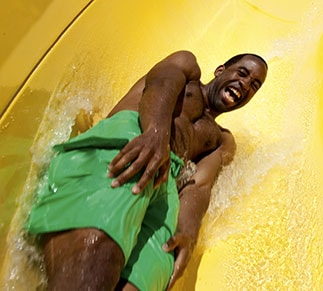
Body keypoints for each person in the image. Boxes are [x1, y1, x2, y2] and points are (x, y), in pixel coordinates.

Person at [25, 50, 268, 290]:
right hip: (135, 139)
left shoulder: (221, 140)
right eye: (243, 73)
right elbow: (162, 83)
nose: (245, 84)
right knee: (102, 244)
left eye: (254, 85)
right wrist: (156, 133)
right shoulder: (187, 69)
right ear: (221, 71)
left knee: (155, 267)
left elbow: (200, 187)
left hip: (165, 187)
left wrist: (188, 231)